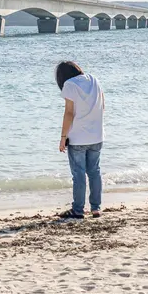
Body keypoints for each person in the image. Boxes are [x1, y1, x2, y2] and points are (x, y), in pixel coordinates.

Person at [55, 61, 106, 219]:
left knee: (78, 175)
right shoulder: (94, 80)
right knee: (94, 172)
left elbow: (69, 113)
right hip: (97, 136)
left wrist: (63, 137)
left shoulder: (69, 85)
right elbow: (102, 105)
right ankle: (96, 208)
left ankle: (78, 209)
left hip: (77, 138)